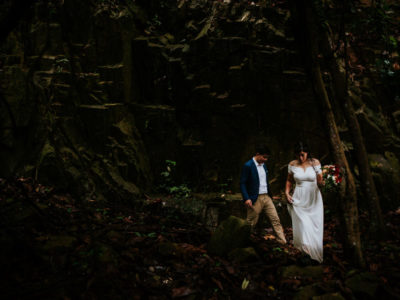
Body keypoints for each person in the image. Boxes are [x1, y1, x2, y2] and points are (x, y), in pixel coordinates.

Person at [285, 142, 324, 263]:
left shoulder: (315, 163)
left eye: (302, 154)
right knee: (303, 225)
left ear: (307, 152)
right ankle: (306, 254)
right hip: (299, 197)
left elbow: (320, 181)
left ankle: (315, 255)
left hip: (313, 198)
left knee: (314, 226)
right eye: (298, 155)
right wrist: (287, 193)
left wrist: (328, 181)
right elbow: (289, 180)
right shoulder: (292, 164)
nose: (300, 158)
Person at [240, 145, 287, 244]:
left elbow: (264, 181)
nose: (265, 159)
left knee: (275, 219)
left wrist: (270, 194)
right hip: (254, 198)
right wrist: (246, 198)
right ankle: (242, 243)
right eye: (264, 157)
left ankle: (282, 242)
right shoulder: (248, 166)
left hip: (266, 197)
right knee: (251, 222)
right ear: (257, 154)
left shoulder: (264, 165)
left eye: (267, 158)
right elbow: (242, 183)